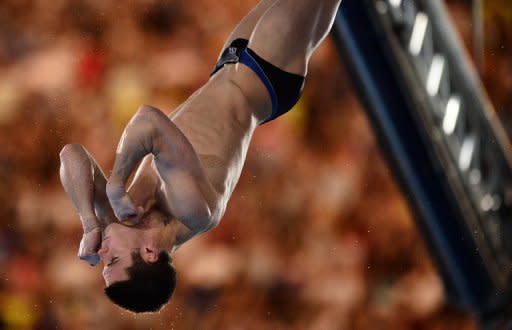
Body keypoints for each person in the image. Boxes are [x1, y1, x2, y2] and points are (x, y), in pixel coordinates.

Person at [59, 0, 342, 313]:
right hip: (267, 72)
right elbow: (148, 122)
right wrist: (114, 185)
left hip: (230, 64)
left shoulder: (126, 217)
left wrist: (88, 221)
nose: (103, 249)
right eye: (112, 258)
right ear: (151, 252)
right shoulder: (193, 210)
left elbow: (72, 156)